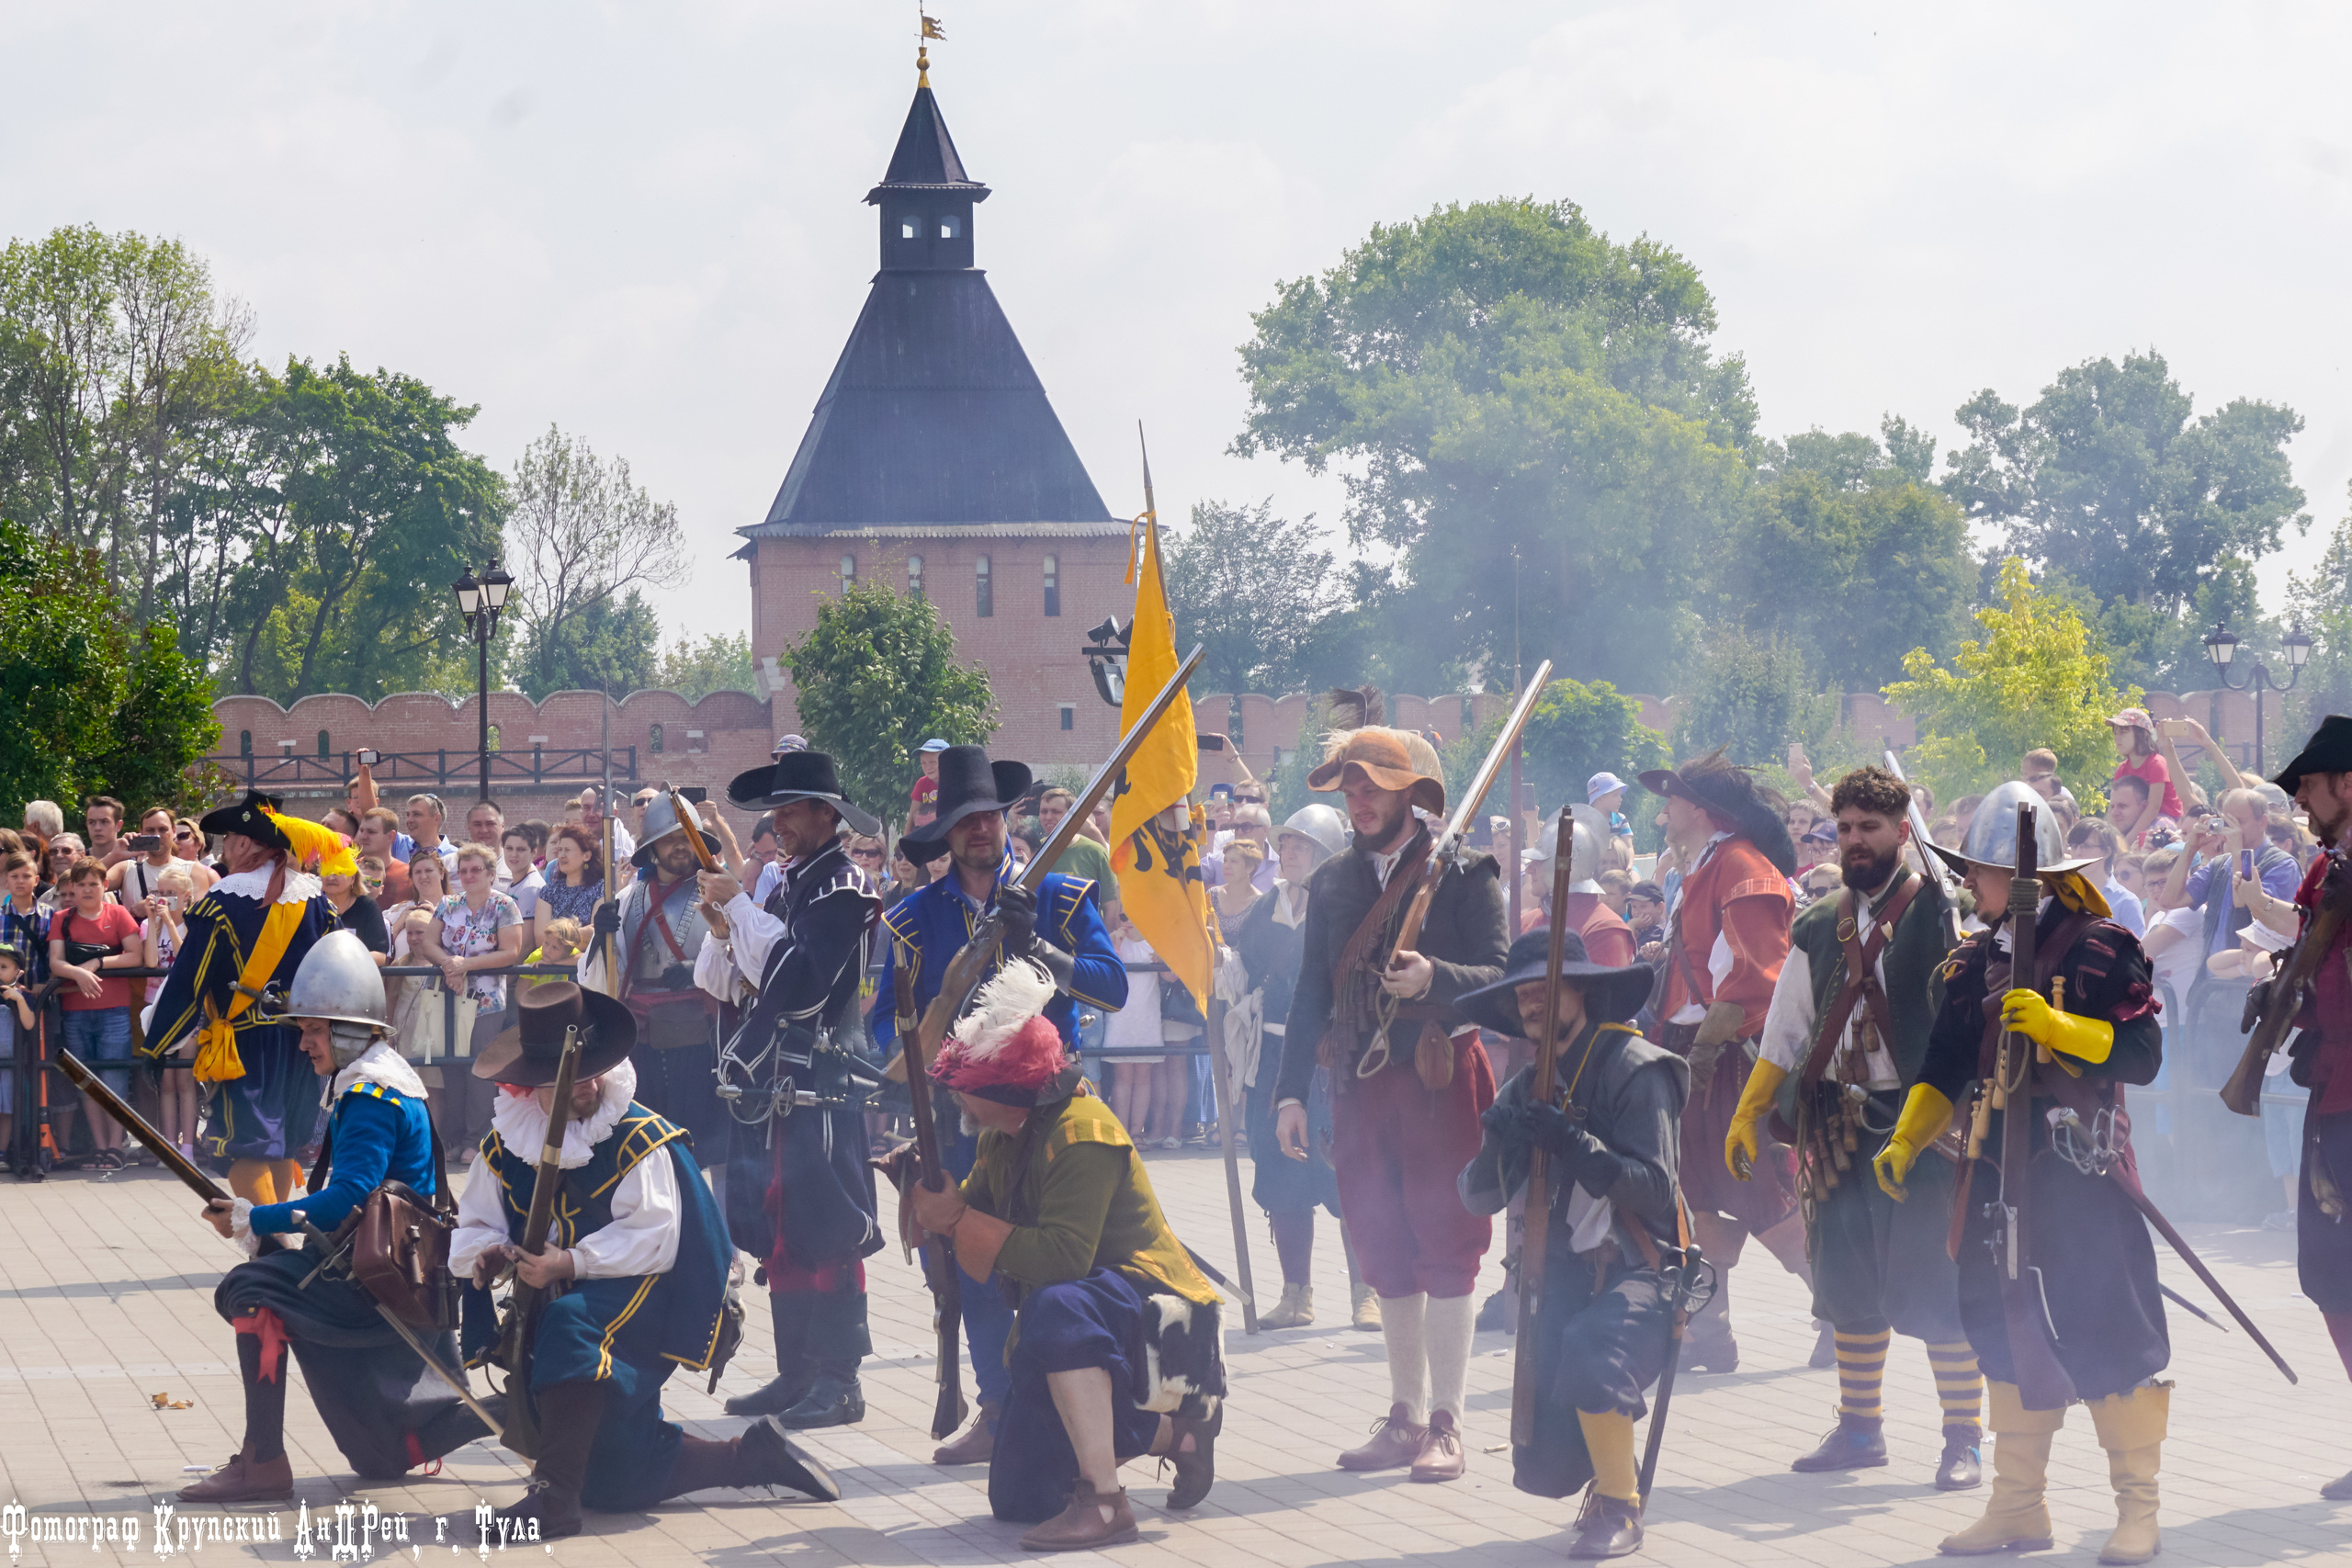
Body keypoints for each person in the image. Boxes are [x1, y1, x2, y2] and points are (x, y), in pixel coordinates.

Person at [1875, 780, 2166, 1563]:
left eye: (1982, 868)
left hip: (2081, 1175)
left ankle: (2138, 1508)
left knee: (2111, 1330)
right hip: (1997, 1176)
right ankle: (2016, 1507)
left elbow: (2143, 1055)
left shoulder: (2104, 947)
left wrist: (2061, 1024)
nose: (1970, 882)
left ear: (2024, 874)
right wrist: (1907, 1138)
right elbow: (1943, 1067)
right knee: (2001, 1331)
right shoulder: (1973, 962)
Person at [449, 983, 837, 1536]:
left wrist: (568, 1265)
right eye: (569, 1075)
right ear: (530, 1080)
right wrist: (487, 1256)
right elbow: (475, 1227)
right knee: (613, 1477)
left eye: (592, 1070)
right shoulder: (503, 1144)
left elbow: (655, 1236)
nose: (586, 1084)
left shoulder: (640, 1137)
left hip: (650, 1295)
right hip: (560, 1302)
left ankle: (553, 1500)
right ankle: (749, 1458)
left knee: (572, 1323)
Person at [871, 743, 1126, 1470]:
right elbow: (891, 1030)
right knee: (971, 1265)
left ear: (1004, 817)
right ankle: (998, 1406)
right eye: (963, 821)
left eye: (987, 815)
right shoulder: (913, 921)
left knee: (1069, 1268)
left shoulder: (1064, 896)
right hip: (959, 1117)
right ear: (946, 834)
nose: (979, 830)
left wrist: (1039, 946)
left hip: (1053, 1117)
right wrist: (932, 1042)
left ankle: (1083, 1413)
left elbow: (1111, 987)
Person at [909, 960, 1225, 1547]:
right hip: (1079, 1315)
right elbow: (968, 1211)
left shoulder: (1083, 1133)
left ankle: (1106, 1503)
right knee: (1018, 1499)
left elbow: (1062, 1260)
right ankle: (1179, 1434)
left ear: (1002, 1091)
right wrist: (927, 1194)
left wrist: (955, 1219)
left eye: (970, 1089)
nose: (960, 1100)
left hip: (1148, 1307)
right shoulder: (1006, 1136)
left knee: (1056, 1304)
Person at [1728, 765, 1983, 1490]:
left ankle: (1963, 1436)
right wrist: (1750, 1112)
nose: (1854, 840)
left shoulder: (1945, 910)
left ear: (1903, 831)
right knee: (1846, 1284)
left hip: (1925, 1129)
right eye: (1844, 828)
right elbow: (1786, 1031)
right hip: (1836, 1126)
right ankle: (1861, 1428)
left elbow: (1976, 1011)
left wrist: (1965, 927)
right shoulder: (1815, 923)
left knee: (1936, 1283)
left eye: (1870, 827)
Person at [178, 931, 491, 1502]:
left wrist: (256, 1219)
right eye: (305, 1030)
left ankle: (262, 1461)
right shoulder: (380, 1079)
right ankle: (515, 1414)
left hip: (374, 1280)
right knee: (380, 1459)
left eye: (315, 1030)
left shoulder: (371, 1094)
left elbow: (346, 1198)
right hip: (381, 1266)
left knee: (252, 1288)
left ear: (352, 1029)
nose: (305, 1044)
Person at [1273, 728, 1508, 1484]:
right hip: (1359, 1080)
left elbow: (1504, 980)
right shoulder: (1335, 880)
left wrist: (1434, 976)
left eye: (1373, 784)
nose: (1359, 797)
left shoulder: (1466, 873)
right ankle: (1405, 1414)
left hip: (1440, 1077)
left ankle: (1448, 1419)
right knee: (1382, 1243)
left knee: (1448, 1243)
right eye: (1350, 786)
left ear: (1412, 791)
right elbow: (1313, 986)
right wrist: (1287, 1093)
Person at [1456, 928, 1680, 1560]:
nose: (1532, 1003)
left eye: (1544, 989)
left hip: (1646, 1268)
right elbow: (1476, 1197)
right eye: (1523, 994)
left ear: (1579, 989)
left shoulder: (1636, 1068)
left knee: (1592, 1345)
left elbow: (1657, 1192)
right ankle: (1609, 1467)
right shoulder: (1523, 1084)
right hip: (1562, 1274)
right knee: (1545, 1460)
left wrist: (1576, 1144)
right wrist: (1499, 1137)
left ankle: (1621, 1505)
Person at [693, 751, 886, 1432]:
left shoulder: (844, 888)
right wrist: (726, 927)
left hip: (821, 1078)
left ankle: (839, 1380)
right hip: (775, 1081)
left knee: (826, 1229)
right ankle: (799, 1370)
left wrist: (740, 907)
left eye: (790, 808)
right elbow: (741, 982)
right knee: (779, 1228)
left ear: (825, 814)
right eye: (776, 809)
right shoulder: (783, 886)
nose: (777, 821)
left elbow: (800, 980)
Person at [1634, 749, 1815, 1372]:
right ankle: (1710, 1334)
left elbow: (1760, 974)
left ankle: (1848, 1316)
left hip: (1734, 1056)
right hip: (1699, 1053)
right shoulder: (1711, 862)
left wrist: (1711, 1043)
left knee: (1769, 1195)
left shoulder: (1740, 866)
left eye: (1673, 797)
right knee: (1698, 1196)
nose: (1664, 810)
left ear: (1701, 808)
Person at [144, 794, 345, 1204]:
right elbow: (341, 968)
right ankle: (278, 1238)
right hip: (304, 1042)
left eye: (229, 837)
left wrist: (158, 1040)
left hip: (244, 1043)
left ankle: (271, 1242)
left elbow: (189, 978)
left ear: (242, 844)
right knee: (283, 1141)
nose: (225, 847)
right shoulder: (317, 901)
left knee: (245, 1144)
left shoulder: (223, 901)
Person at [2255, 718, 2352, 1497]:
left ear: (2346, 784)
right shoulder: (2327, 872)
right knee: (2330, 1276)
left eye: (2311, 785)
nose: (2301, 799)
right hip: (2335, 1093)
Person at [1227, 805, 1357, 1330]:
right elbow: (1249, 969)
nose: (1291, 853)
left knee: (1348, 1177)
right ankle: (1296, 1295)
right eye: (1287, 845)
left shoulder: (1349, 907)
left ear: (1327, 853)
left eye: (1303, 845)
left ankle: (1365, 1292)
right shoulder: (1264, 910)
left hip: (1333, 1061)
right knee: (1281, 1177)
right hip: (1276, 1062)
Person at [578, 795, 729, 1157]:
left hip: (702, 1042)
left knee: (710, 1145)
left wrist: (701, 969)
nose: (680, 845)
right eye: (669, 838)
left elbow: (749, 962)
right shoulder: (628, 898)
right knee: (647, 1144)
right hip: (642, 1041)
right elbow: (600, 981)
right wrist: (602, 937)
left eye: (686, 836)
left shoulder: (722, 892)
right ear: (652, 848)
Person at [417, 843, 525, 1155]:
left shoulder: (505, 906)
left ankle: (475, 1139)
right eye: (463, 871)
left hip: (486, 998)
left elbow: (510, 952)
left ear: (491, 874)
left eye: (476, 870)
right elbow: (428, 943)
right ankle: (451, 1137)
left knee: (479, 1067)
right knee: (448, 1066)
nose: (468, 876)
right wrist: (450, 966)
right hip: (444, 993)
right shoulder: (448, 904)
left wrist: (466, 965)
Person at [50, 856, 146, 1167]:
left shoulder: (117, 914)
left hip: (114, 1010)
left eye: (94, 884)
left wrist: (98, 963)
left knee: (114, 1079)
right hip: (75, 1011)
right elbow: (55, 962)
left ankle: (116, 1146)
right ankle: (100, 1145)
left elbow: (136, 956)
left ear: (105, 885)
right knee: (85, 1080)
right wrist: (77, 973)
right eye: (81, 885)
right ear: (71, 888)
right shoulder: (62, 918)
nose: (88, 890)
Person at [141, 864, 201, 1160]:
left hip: (187, 1011)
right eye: (159, 893)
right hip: (157, 1010)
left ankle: (188, 1147)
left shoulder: (194, 923)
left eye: (171, 894)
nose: (164, 899)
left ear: (186, 896)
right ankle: (168, 1147)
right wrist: (155, 924)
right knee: (165, 1081)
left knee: (184, 1079)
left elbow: (186, 957)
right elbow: (151, 962)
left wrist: (169, 921)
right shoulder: (149, 923)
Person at [2108, 708, 2183, 844]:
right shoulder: (2122, 769)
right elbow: (2113, 808)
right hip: (2135, 817)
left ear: (2140, 734)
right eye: (2115, 732)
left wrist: (2125, 843)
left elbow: (2153, 808)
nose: (2117, 737)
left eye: (2124, 732)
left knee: (2154, 832)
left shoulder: (2156, 764)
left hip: (2163, 819)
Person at [2069, 819, 2145, 936]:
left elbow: (2134, 952)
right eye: (2074, 846)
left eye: (2086, 846)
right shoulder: (2062, 895)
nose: (2078, 852)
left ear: (2106, 852)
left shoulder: (2126, 902)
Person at [322, 858, 390, 960]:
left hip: (356, 972)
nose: (331, 877)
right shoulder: (313, 904)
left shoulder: (367, 906)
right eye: (327, 872)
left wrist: (346, 960)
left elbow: (380, 955)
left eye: (339, 872)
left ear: (352, 878)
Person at [502, 826, 546, 924]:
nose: (514, 854)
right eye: (509, 848)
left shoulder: (530, 888)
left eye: (521, 849)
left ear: (533, 852)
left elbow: (526, 937)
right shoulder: (518, 882)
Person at [403, 794, 459, 868]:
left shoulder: (457, 857)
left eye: (416, 814)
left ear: (437, 818)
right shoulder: (400, 845)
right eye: (408, 815)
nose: (409, 820)